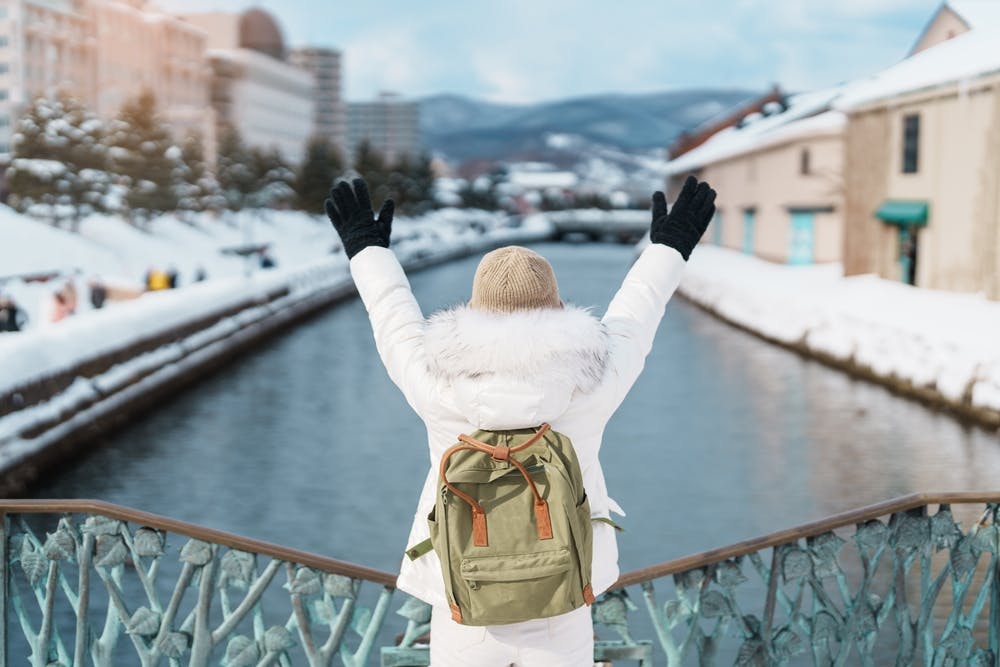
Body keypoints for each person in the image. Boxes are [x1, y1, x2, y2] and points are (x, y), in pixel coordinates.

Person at [325, 175, 716, 667]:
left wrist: (367, 249)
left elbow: (392, 319)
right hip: (564, 586)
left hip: (464, 587)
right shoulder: (592, 377)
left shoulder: (436, 380)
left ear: (473, 307)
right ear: (555, 305)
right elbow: (637, 314)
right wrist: (670, 246)